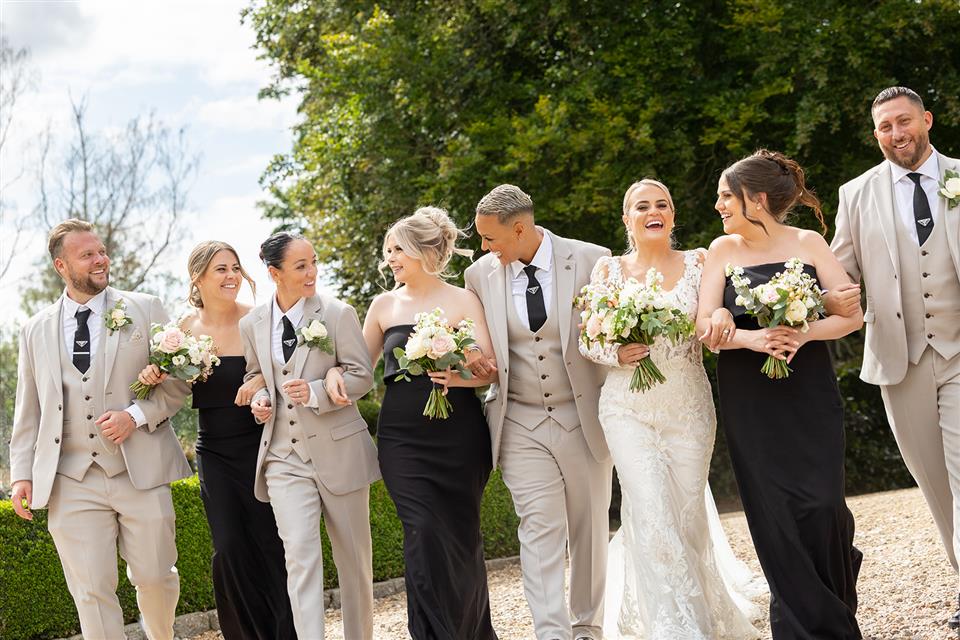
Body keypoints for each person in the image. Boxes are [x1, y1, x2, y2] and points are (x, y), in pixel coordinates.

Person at [579, 179, 762, 639]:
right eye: (642, 206)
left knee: (686, 514)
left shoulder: (701, 263)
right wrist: (614, 353)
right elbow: (588, 338)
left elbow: (713, 320)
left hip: (688, 406)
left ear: (673, 217)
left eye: (662, 204)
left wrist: (721, 321)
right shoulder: (608, 271)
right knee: (651, 508)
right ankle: (676, 628)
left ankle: (700, 606)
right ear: (627, 219)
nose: (653, 211)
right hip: (627, 408)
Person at [697, 150, 864, 639]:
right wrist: (751, 337)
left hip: (809, 387)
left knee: (823, 504)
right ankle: (800, 625)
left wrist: (804, 330)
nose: (719, 205)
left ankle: (834, 591)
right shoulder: (722, 251)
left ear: (759, 198)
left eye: (727, 196)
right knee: (774, 510)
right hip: (750, 395)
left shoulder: (809, 243)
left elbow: (851, 314)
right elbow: (704, 324)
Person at [9, 219, 191, 640]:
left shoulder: (145, 308)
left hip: (139, 470)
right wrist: (21, 473)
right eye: (87, 254)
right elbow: (28, 408)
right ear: (61, 265)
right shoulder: (35, 328)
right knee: (90, 590)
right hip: (70, 478)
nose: (100, 260)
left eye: (102, 251)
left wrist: (136, 416)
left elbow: (178, 383)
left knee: (155, 577)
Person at [330, 206, 499, 639]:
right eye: (387, 250)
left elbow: (489, 369)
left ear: (425, 251)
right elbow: (358, 371)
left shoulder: (463, 299)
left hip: (459, 436)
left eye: (398, 249)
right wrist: (330, 375)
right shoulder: (383, 305)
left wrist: (460, 376)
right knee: (421, 532)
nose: (390, 258)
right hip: (402, 438)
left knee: (461, 539)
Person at [828, 86, 960, 628]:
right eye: (885, 127)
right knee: (934, 481)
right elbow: (838, 274)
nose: (896, 134)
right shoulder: (856, 193)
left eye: (904, 122)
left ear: (926, 120)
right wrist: (799, 304)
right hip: (899, 359)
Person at [464, 184, 612, 640]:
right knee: (538, 526)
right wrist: (470, 349)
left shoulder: (592, 259)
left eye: (491, 238)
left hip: (584, 415)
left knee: (588, 525)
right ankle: (551, 632)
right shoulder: (479, 275)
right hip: (519, 420)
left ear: (520, 228)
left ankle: (586, 626)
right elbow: (473, 330)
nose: (484, 248)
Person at [136, 241, 297, 639]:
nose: (231, 277)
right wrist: (152, 377)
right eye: (221, 270)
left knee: (270, 543)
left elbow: (284, 373)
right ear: (199, 279)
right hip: (216, 452)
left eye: (235, 268)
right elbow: (170, 390)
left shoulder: (260, 320)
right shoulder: (183, 330)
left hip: (264, 446)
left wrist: (260, 381)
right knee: (228, 546)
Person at [240, 231, 380, 640]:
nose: (312, 272)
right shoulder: (252, 323)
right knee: (300, 556)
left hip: (340, 452)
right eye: (301, 266)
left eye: (314, 262)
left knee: (354, 561)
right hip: (283, 458)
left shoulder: (337, 313)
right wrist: (261, 396)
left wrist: (317, 392)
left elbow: (362, 375)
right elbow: (255, 375)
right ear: (274, 272)